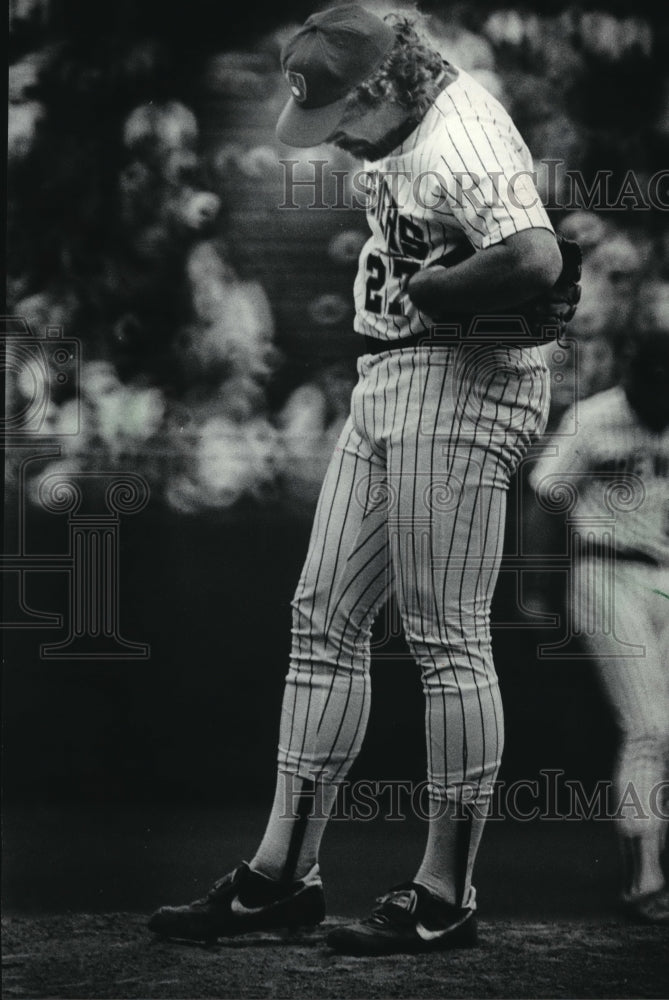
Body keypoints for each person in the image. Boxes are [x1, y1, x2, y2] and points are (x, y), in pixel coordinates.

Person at [148, 4, 578, 954]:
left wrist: (445, 289)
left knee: (445, 639)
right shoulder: (396, 110)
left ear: (383, 83)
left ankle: (444, 894)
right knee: (322, 618)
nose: (331, 134)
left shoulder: (460, 133)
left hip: (465, 383)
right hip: (391, 373)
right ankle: (278, 878)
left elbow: (537, 256)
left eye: (339, 111)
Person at [528, 326, 669, 925]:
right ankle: (646, 880)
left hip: (663, 572)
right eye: (650, 379)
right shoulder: (593, 418)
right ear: (632, 373)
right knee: (650, 728)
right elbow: (546, 500)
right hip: (603, 573)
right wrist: (536, 590)